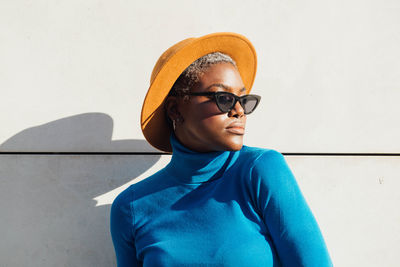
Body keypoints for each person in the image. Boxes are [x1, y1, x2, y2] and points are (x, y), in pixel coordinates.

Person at [110, 32, 333, 266]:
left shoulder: (259, 170)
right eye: (224, 98)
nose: (239, 110)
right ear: (175, 109)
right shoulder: (131, 207)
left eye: (243, 99)